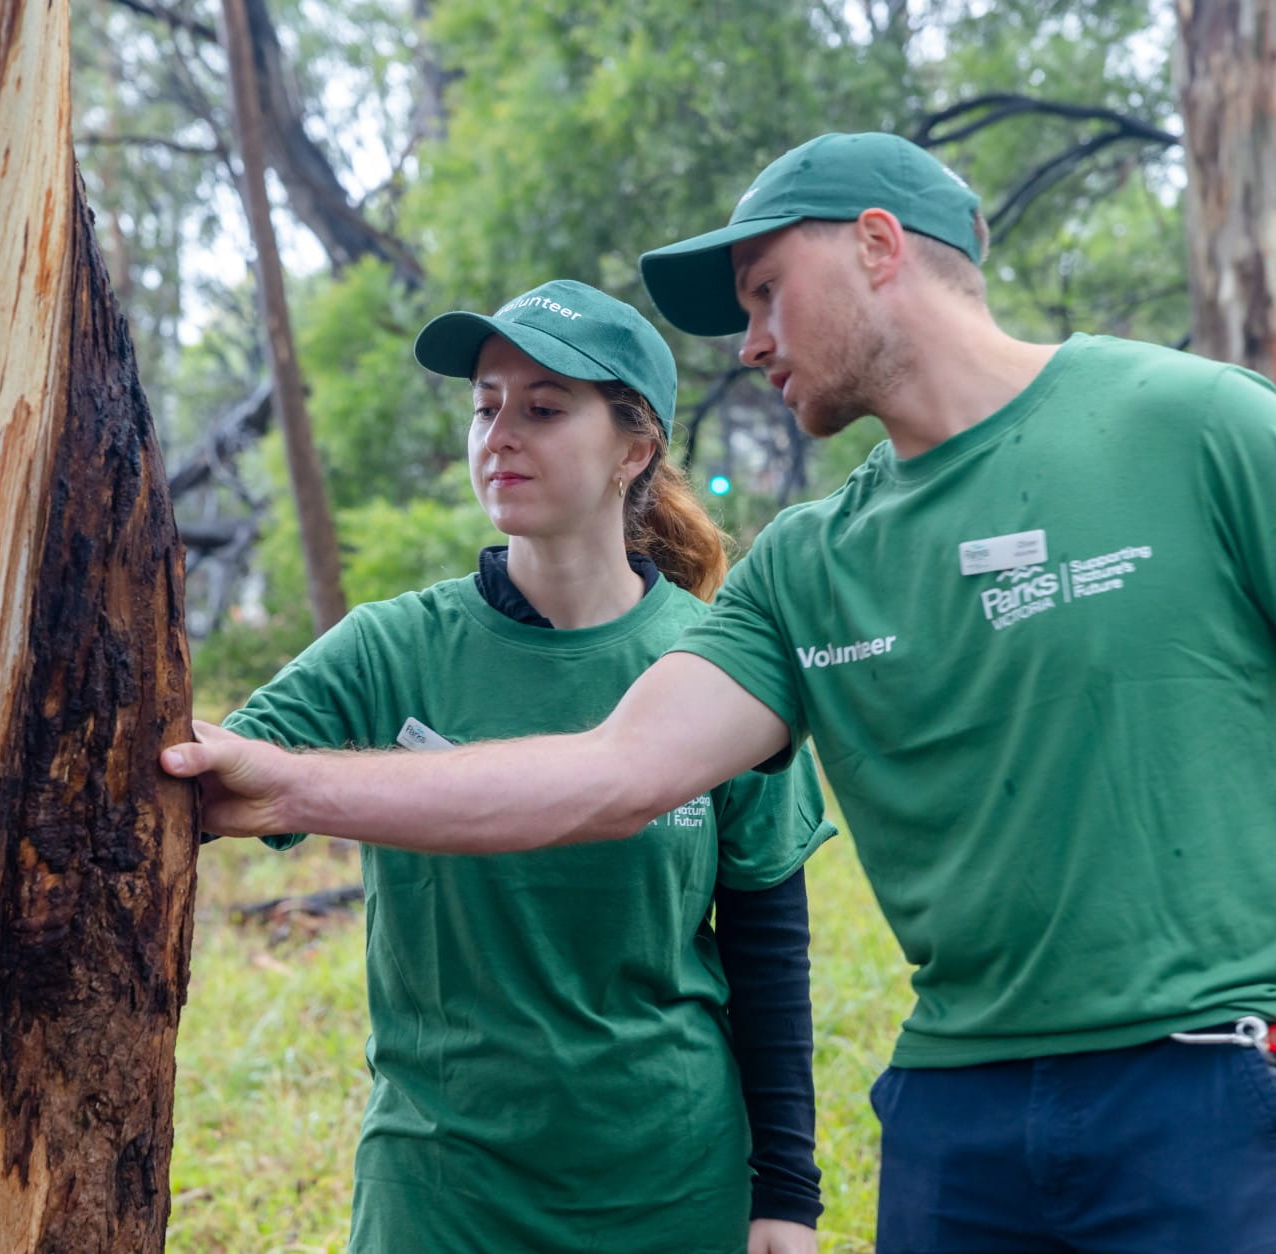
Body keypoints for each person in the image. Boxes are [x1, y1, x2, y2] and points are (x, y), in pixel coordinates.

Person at [166, 135, 1276, 1250]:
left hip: (1218, 1080)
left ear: (878, 246)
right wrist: (283, 780)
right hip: (953, 1120)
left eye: (764, 292)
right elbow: (605, 773)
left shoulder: (1187, 421)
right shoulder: (805, 569)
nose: (749, 342)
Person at [206, 278, 833, 1254]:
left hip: (669, 1185)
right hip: (441, 1192)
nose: (499, 436)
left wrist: (785, 1199)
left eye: (542, 409)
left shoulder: (718, 662)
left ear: (634, 448)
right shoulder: (388, 651)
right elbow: (204, 783)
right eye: (484, 407)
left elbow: (765, 943)